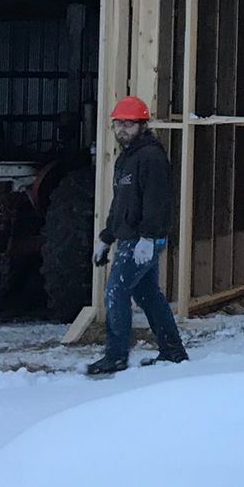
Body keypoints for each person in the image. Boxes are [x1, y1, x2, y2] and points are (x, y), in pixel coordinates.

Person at [84, 96, 188, 377]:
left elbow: (158, 201)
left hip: (142, 240)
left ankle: (116, 356)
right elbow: (120, 204)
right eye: (118, 124)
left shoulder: (151, 157)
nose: (122, 129)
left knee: (116, 292)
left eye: (129, 124)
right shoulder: (126, 158)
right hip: (131, 238)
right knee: (147, 294)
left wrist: (148, 238)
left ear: (143, 126)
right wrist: (106, 237)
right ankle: (173, 351)